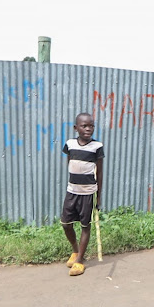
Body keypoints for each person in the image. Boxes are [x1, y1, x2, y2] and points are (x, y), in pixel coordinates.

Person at [61, 113, 104, 276]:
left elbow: (99, 174)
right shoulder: (70, 144)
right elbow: (71, 163)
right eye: (84, 126)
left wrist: (98, 197)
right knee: (66, 223)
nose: (88, 129)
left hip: (88, 193)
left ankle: (79, 261)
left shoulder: (97, 146)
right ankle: (76, 250)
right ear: (76, 128)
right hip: (72, 191)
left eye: (91, 126)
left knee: (85, 226)